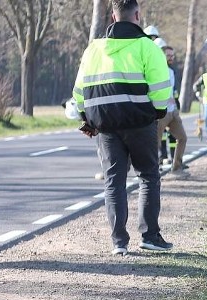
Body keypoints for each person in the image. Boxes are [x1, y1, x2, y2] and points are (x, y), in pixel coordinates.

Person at [73, 0, 173, 255]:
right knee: (148, 176)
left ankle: (119, 242)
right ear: (137, 15)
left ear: (113, 17)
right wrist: (156, 113)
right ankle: (150, 236)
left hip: (105, 126)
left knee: (113, 181)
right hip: (140, 123)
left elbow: (79, 90)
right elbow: (161, 90)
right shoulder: (147, 47)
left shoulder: (93, 49)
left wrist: (86, 119)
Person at [155, 43, 189, 178]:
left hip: (172, 111)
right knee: (155, 142)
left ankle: (177, 167)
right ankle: (153, 169)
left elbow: (172, 90)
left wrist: (175, 104)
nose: (171, 58)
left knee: (182, 138)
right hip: (159, 111)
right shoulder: (155, 70)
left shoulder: (171, 71)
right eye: (168, 55)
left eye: (172, 55)